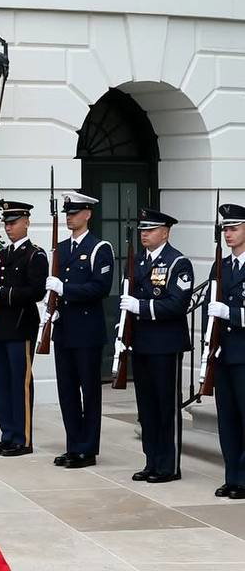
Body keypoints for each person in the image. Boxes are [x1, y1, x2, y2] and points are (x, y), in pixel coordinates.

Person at [122, 206, 193, 482]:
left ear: (165, 232)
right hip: (141, 343)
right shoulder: (138, 262)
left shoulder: (178, 263)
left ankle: (169, 465)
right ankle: (152, 461)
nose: (144, 235)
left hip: (165, 344)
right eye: (142, 231)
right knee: (147, 408)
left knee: (166, 406)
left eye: (150, 230)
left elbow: (177, 304)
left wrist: (141, 306)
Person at [45, 192, 114, 469]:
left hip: (87, 330)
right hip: (64, 329)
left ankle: (88, 448)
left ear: (88, 214)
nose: (69, 217)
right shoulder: (60, 249)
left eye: (74, 212)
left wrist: (66, 289)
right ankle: (73, 444)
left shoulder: (100, 248)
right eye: (67, 213)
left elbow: (100, 287)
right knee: (67, 391)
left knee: (89, 391)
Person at [0, 200, 48, 455]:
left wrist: (3, 293)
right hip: (0, 327)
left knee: (20, 383)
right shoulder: (3, 254)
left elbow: (36, 291)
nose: (8, 228)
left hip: (21, 326)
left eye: (13, 223)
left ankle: (23, 438)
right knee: (0, 382)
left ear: (26, 223)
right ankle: (7, 433)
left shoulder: (35, 255)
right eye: (6, 224)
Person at [208, 202, 245, 499]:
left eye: (233, 228)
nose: (228, 234)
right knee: (228, 419)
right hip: (223, 354)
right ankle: (232, 475)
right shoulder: (220, 265)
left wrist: (231, 313)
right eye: (225, 230)